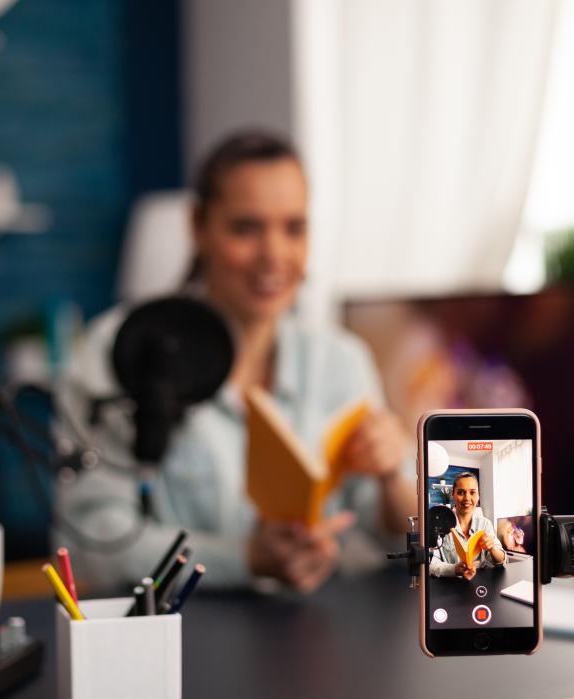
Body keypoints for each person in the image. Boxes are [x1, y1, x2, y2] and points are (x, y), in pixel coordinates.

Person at [55, 130, 415, 593]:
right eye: (246, 228)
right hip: (180, 643)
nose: (274, 254)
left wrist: (390, 477)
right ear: (198, 228)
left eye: (293, 228)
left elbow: (398, 533)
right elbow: (94, 547)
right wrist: (244, 558)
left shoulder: (340, 361)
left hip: (316, 643)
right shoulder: (119, 351)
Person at [429, 472, 506, 579]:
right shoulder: (440, 525)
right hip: (449, 588)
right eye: (461, 492)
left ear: (478, 495)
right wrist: (454, 569)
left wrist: (492, 548)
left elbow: (501, 561)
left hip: (480, 586)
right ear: (453, 495)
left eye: (472, 492)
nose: (467, 498)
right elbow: (431, 565)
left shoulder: (485, 524)